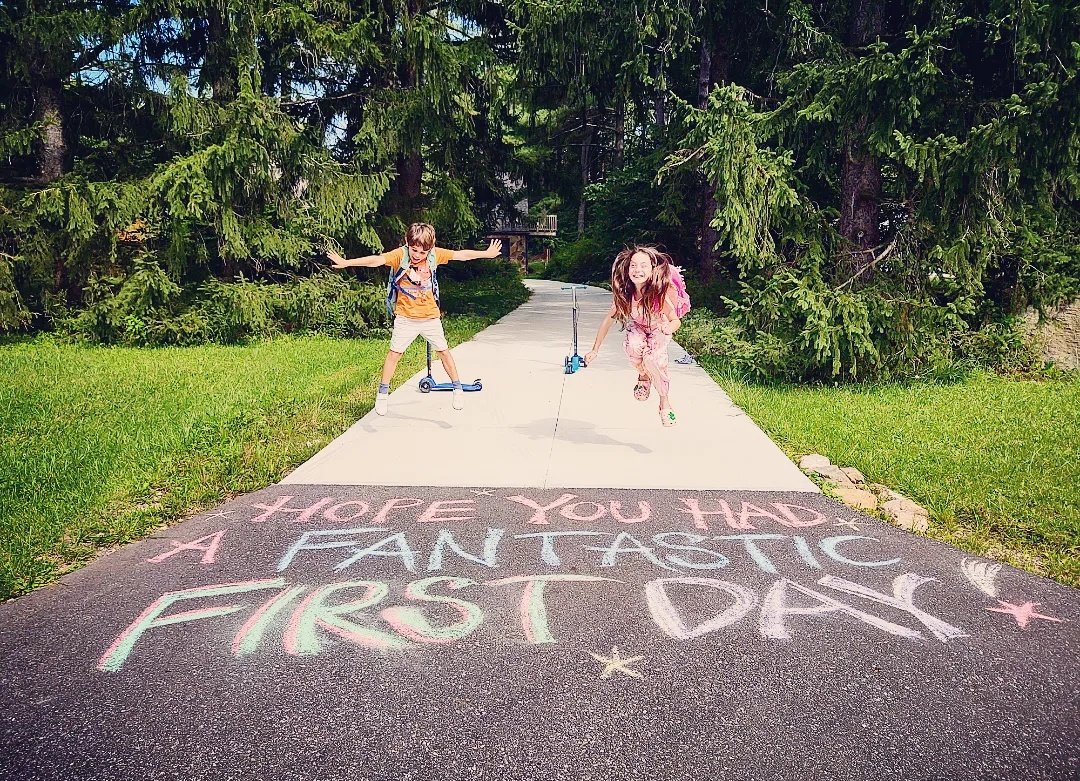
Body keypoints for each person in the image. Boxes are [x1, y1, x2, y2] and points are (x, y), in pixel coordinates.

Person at [327, 222, 502, 415]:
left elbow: (461, 255)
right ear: (407, 243)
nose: (418, 255)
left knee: (444, 352)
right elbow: (376, 260)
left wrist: (486, 254)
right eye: (414, 250)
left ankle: (457, 388)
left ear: (430, 248)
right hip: (405, 318)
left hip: (430, 317)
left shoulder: (435, 254)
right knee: (394, 354)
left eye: (422, 252)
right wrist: (346, 262)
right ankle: (383, 394)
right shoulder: (400, 256)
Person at [585, 246, 685, 426]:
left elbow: (675, 320)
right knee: (632, 347)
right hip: (638, 327)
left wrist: (669, 328)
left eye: (644, 266)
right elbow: (607, 320)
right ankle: (643, 377)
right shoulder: (626, 294)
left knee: (654, 360)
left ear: (653, 269)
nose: (638, 270)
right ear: (627, 268)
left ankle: (664, 402)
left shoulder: (658, 295)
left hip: (659, 330)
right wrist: (595, 350)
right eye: (633, 265)